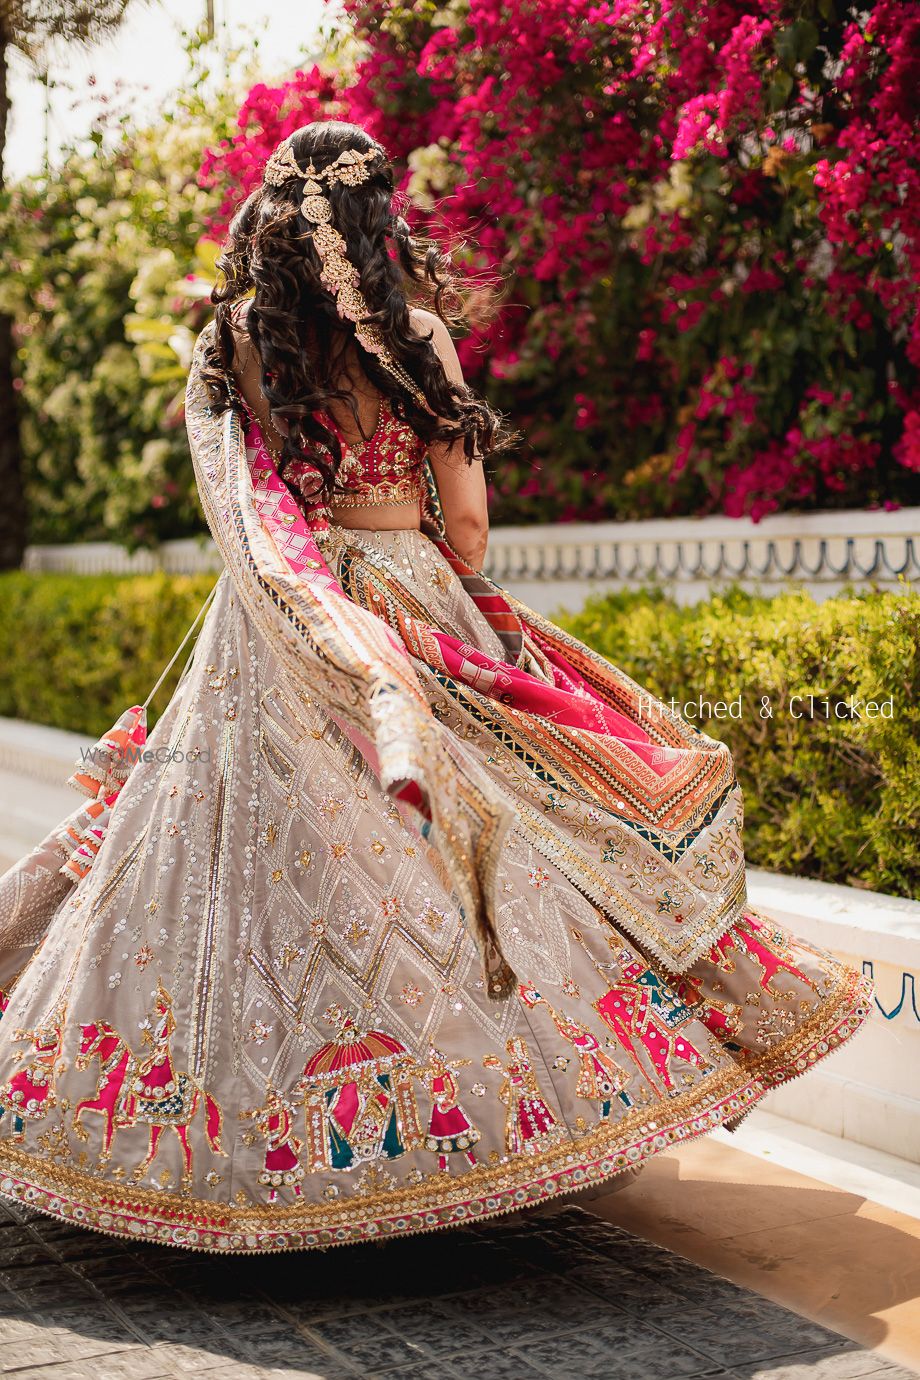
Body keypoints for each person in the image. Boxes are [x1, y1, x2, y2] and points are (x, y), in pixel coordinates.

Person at [0, 120, 874, 1255]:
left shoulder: (236, 346)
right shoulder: (411, 336)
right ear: (377, 220)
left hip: (278, 622)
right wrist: (461, 599)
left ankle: (210, 1147)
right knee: (481, 853)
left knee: (232, 875)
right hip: (408, 609)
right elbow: (463, 520)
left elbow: (256, 523)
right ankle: (470, 1129)